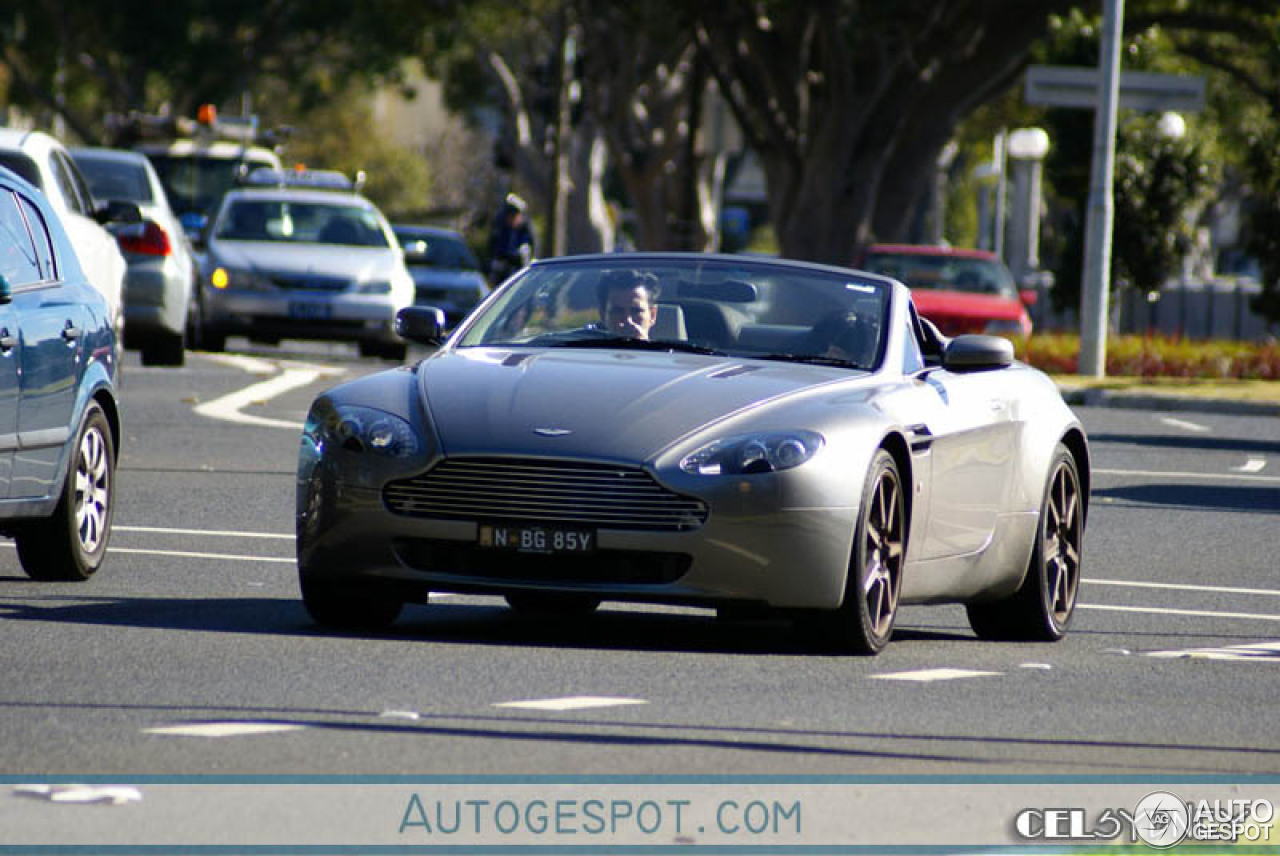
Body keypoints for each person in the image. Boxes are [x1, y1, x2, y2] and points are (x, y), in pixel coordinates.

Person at [597, 269, 660, 339]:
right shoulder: (585, 348)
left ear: (652, 315)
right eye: (618, 311)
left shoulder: (669, 349)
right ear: (602, 316)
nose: (628, 321)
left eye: (636, 311)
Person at [487, 193, 535, 286]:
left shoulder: (525, 230)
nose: (512, 218)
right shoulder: (500, 229)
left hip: (520, 267)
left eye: (515, 215)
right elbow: (493, 248)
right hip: (503, 269)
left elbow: (531, 249)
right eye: (509, 215)